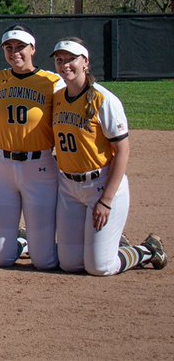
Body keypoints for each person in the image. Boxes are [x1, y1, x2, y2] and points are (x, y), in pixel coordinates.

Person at [50, 38, 166, 275]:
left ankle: (147, 250)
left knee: (100, 267)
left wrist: (106, 200)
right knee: (70, 264)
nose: (65, 65)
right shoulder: (58, 98)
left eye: (71, 59)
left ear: (85, 63)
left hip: (100, 186)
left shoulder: (104, 99)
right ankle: (112, 241)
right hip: (69, 188)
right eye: (60, 60)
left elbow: (122, 150)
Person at [0, 25, 62, 270]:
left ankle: (30, 242)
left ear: (33, 49)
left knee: (44, 261)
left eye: (20, 47)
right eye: (9, 48)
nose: (15, 52)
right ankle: (22, 241)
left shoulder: (52, 82)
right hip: (1, 166)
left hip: (39, 166)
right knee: (0, 259)